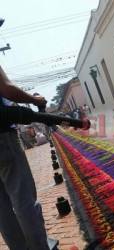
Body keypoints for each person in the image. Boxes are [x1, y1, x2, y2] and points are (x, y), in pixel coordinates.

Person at [0, 65, 50, 250]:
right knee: (23, 200)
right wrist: (34, 99)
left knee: (2, 209)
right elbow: (6, 88)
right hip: (2, 138)